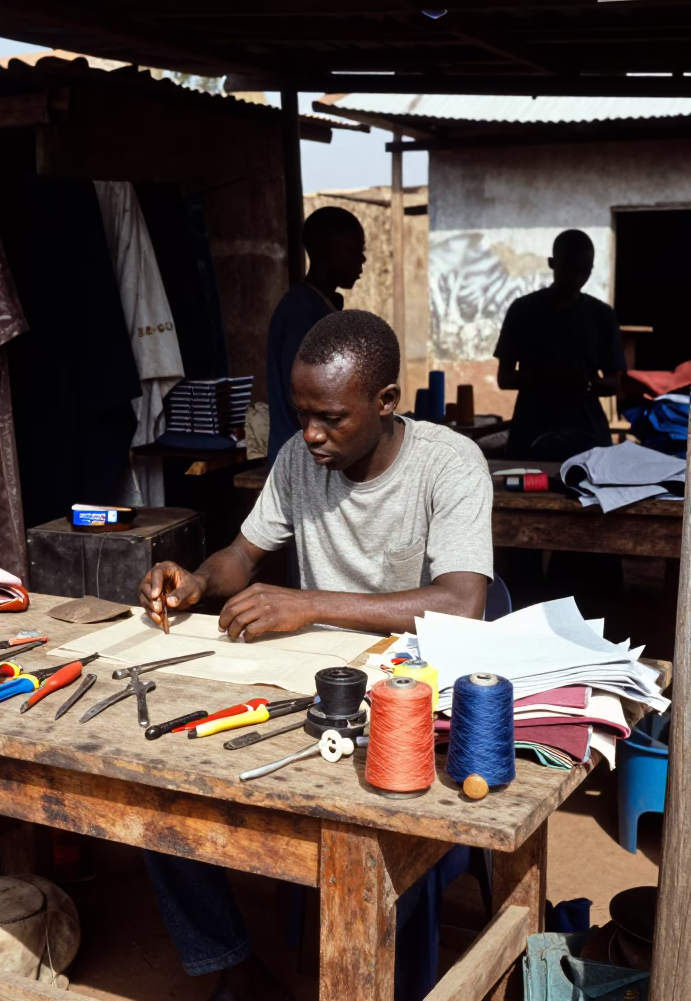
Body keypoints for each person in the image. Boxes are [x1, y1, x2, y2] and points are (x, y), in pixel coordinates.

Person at [138, 310, 493, 1001]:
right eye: (302, 413)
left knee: (386, 838)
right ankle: (233, 968)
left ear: (386, 402)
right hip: (311, 684)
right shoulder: (301, 459)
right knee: (159, 788)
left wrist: (309, 604)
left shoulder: (449, 465)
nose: (310, 434)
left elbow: (461, 601)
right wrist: (201, 581)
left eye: (330, 416)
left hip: (407, 695)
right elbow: (245, 554)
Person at [495, 229, 625, 459]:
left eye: (582, 271)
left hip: (587, 432)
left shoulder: (602, 315)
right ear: (552, 263)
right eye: (568, 269)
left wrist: (585, 384)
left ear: (591, 270)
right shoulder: (523, 310)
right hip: (532, 431)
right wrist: (548, 378)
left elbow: (614, 383)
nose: (575, 278)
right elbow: (504, 379)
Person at [266, 206, 366, 464]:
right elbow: (308, 398)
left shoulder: (319, 306)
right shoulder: (303, 314)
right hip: (302, 461)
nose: (362, 260)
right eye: (353, 251)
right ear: (325, 252)